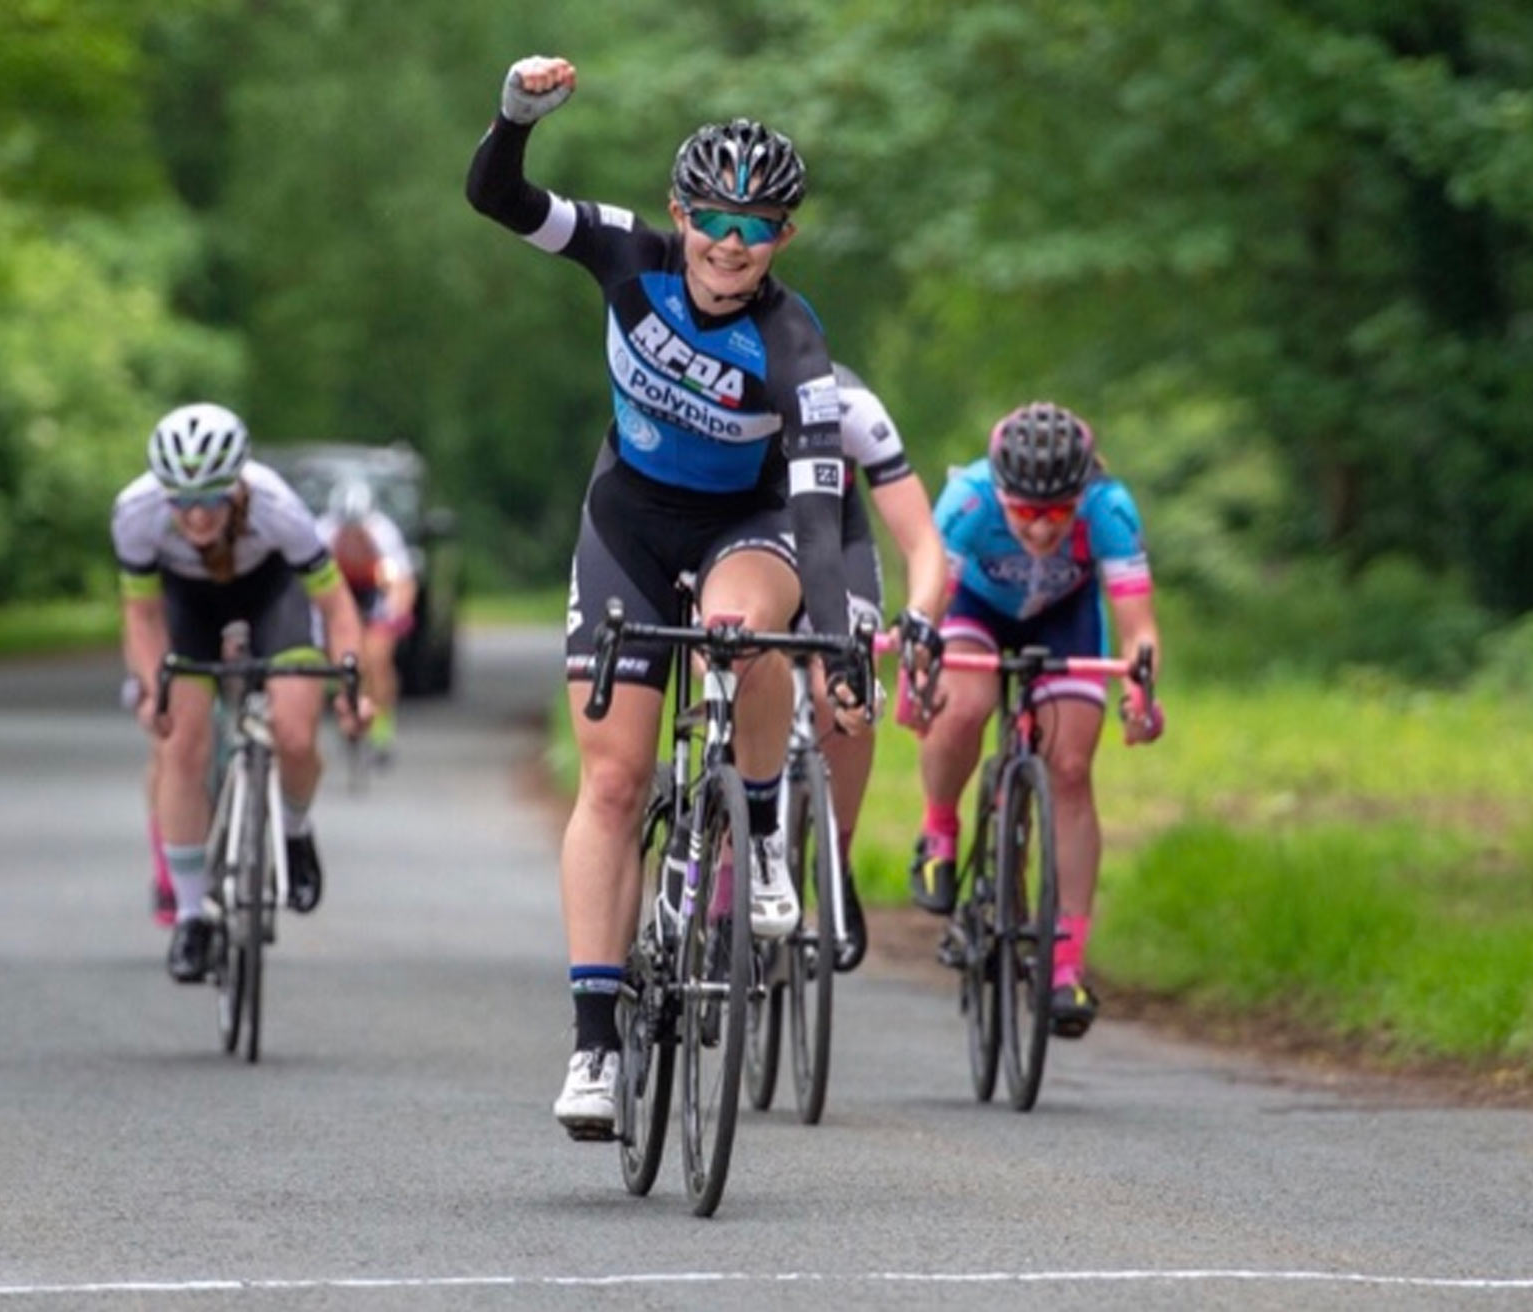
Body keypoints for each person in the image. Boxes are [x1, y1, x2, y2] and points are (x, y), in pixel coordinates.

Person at [467, 54, 869, 1140]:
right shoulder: (623, 253)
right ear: (681, 212)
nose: (731, 242)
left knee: (743, 630)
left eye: (759, 224)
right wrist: (515, 119)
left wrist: (830, 641)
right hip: (628, 524)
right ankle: (594, 1045)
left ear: (781, 237)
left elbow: (821, 510)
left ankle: (765, 834)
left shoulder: (794, 344)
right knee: (609, 780)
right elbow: (495, 199)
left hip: (744, 526)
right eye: (716, 218)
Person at [909, 401, 1163, 1037]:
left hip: (1062, 618)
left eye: (1057, 512)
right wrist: (918, 680)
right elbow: (932, 610)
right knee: (964, 703)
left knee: (1072, 768)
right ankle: (939, 829)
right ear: (1000, 494)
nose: (1044, 529)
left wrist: (1141, 692)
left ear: (1082, 494)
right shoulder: (967, 501)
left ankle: (1067, 964)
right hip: (975, 612)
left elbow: (1138, 630)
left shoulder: (1109, 509)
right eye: (1025, 512)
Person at [113, 402, 372, 984]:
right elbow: (143, 613)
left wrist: (352, 682)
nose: (195, 516)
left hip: (271, 593)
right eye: (180, 500)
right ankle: (189, 916)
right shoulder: (137, 513)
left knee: (295, 734)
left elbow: (336, 607)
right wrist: (155, 687)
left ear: (237, 487)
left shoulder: (279, 507)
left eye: (209, 499)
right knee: (182, 744)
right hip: (187, 605)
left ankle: (296, 832)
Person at [819, 365, 950, 972]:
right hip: (738, 538)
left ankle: (834, 861)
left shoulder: (852, 407)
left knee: (847, 695)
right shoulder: (720, 395)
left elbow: (923, 542)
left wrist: (921, 612)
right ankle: (726, 865)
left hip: (834, 542)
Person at [316, 481, 418, 766]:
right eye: (346, 526)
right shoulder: (323, 531)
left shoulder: (383, 532)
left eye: (357, 526)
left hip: (375, 597)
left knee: (378, 660)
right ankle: (346, 705)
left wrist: (397, 616)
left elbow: (402, 582)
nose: (351, 533)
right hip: (339, 593)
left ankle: (382, 731)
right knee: (345, 658)